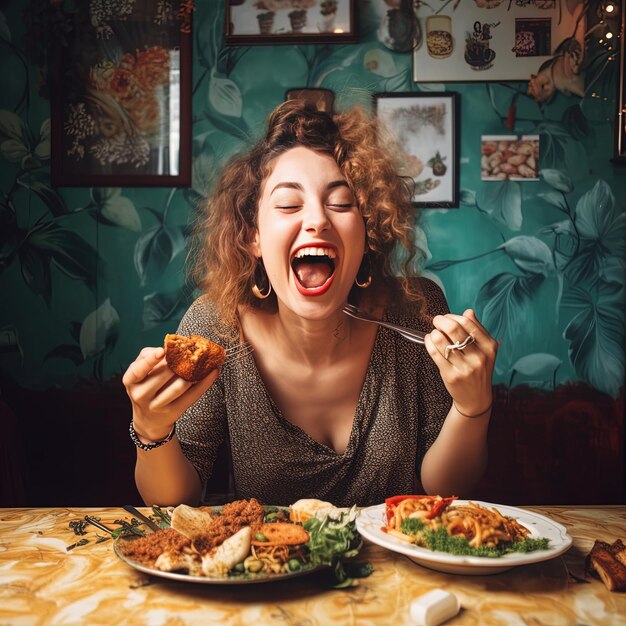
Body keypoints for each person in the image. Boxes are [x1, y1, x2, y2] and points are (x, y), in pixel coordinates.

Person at [122, 100, 498, 508]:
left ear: (368, 231)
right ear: (254, 238)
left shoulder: (416, 309)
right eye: (288, 204)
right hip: (267, 569)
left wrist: (472, 406)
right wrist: (151, 429)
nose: (317, 220)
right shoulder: (217, 324)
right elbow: (177, 497)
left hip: (398, 569)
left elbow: (445, 489)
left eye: (341, 203)